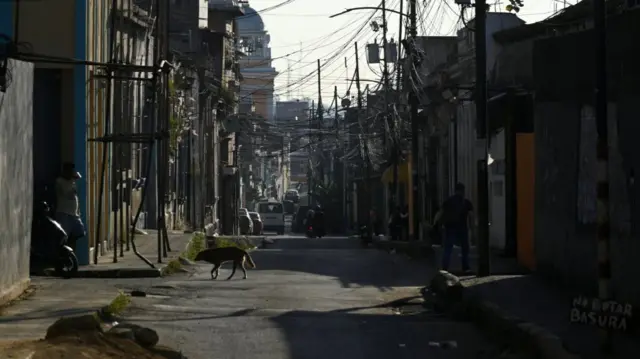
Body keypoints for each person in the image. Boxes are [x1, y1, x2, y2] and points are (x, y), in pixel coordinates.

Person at [433, 183, 474, 274]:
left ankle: (445, 268)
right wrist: (472, 228)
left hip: (450, 227)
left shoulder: (448, 201)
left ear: (455, 190)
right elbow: (471, 216)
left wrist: (435, 223)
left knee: (448, 248)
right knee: (465, 249)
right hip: (462, 227)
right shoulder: (466, 202)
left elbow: (440, 213)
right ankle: (465, 267)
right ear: (463, 191)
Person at [55, 162, 86, 252]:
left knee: (80, 232)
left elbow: (75, 194)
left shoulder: (72, 181)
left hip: (74, 214)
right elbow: (66, 192)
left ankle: (71, 250)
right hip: (64, 213)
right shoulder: (60, 181)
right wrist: (73, 179)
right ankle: (64, 253)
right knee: (64, 235)